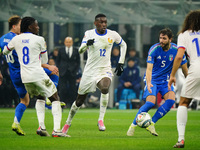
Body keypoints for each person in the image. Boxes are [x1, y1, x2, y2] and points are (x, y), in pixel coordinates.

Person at [61, 13, 127, 135]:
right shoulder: (89, 33)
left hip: (104, 70)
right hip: (90, 72)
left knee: (105, 87)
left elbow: (123, 44)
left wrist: (121, 62)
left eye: (105, 22)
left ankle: (101, 120)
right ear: (95, 23)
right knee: (79, 101)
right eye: (101, 22)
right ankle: (67, 124)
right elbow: (80, 50)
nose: (103, 25)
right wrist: (86, 44)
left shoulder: (112, 34)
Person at [3, 16, 67, 137]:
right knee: (55, 98)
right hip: (37, 74)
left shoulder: (16, 39)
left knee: (40, 98)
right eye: (36, 25)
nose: (38, 27)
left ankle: (42, 127)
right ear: (29, 26)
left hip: (25, 77)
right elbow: (45, 60)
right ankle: (57, 131)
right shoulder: (39, 39)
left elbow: (5, 51)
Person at [126, 28, 188, 137]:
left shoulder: (177, 50)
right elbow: (149, 69)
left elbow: (184, 68)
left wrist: (189, 81)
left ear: (170, 39)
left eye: (164, 38)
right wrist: (149, 82)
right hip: (152, 79)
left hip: (165, 81)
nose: (161, 40)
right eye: (160, 38)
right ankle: (132, 126)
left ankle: (152, 123)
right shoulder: (154, 49)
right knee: (150, 103)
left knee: (170, 102)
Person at [168, 10, 200, 148]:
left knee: (183, 102)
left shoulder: (184, 35)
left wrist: (173, 74)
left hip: (197, 69)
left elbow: (180, 56)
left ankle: (181, 139)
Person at [0, 15, 29, 135]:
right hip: (25, 71)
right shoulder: (18, 39)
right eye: (20, 25)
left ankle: (16, 123)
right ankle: (49, 97)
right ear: (14, 26)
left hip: (13, 74)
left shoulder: (2, 39)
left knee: (25, 100)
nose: (21, 27)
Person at [56, 37, 80, 107]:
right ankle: (62, 104)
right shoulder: (61, 50)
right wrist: (59, 69)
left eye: (69, 42)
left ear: (72, 42)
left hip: (72, 72)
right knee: (62, 89)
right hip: (63, 72)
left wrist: (75, 70)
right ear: (64, 42)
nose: (68, 43)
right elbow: (58, 61)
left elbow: (78, 62)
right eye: (67, 42)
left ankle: (73, 105)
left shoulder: (76, 50)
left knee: (73, 89)